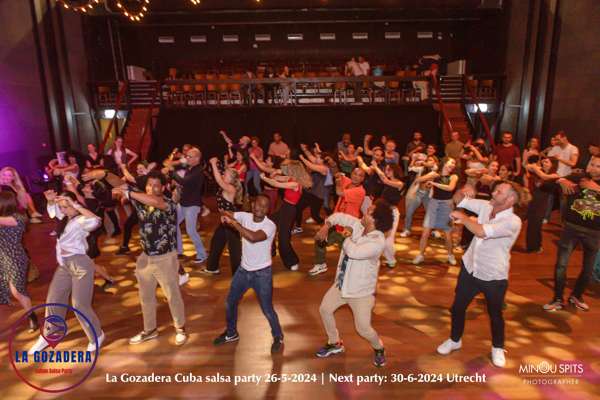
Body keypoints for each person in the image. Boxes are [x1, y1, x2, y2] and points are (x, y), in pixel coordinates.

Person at [437, 182, 524, 368]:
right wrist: (463, 190)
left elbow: (481, 231)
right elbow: (458, 200)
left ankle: (498, 347)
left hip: (493, 275)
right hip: (470, 268)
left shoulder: (513, 221)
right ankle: (454, 340)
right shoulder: (486, 206)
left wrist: (464, 218)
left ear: (510, 199)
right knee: (457, 308)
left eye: (499, 191)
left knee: (495, 314)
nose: (493, 192)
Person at [314, 200, 394, 367]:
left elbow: (354, 252)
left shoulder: (377, 242)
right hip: (342, 284)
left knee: (363, 329)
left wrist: (347, 235)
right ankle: (335, 342)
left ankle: (379, 348)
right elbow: (338, 216)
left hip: (360, 293)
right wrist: (326, 226)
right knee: (325, 309)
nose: (364, 212)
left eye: (369, 212)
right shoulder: (358, 224)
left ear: (375, 220)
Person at [113, 171, 188, 346]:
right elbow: (118, 183)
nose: (151, 188)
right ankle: (150, 330)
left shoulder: (168, 203)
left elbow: (156, 202)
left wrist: (128, 192)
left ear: (163, 187)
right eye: (149, 185)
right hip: (145, 257)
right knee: (145, 297)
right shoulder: (141, 201)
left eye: (156, 185)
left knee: (172, 295)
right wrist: (104, 174)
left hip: (165, 258)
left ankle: (180, 328)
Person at [29, 190, 104, 354]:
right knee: (54, 300)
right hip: (64, 265)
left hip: (80, 265)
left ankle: (97, 335)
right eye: (62, 207)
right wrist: (51, 201)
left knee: (79, 304)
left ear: (75, 204)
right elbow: (53, 211)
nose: (64, 210)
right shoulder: (65, 218)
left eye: (67, 206)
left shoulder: (81, 220)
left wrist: (75, 204)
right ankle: (50, 333)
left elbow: (96, 221)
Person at [213, 194, 284, 353]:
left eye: (265, 206)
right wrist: (225, 215)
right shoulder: (245, 216)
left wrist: (234, 224)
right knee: (230, 302)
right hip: (243, 271)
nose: (261, 208)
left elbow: (253, 237)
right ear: (253, 205)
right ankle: (231, 333)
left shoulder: (270, 226)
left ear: (268, 210)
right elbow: (229, 213)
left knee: (267, 309)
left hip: (262, 274)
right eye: (258, 204)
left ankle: (278, 336)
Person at [543, 156, 600, 312]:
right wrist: (560, 180)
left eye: (598, 166)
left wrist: (596, 188)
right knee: (561, 265)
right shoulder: (578, 177)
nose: (594, 168)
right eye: (592, 164)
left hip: (594, 233)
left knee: (588, 269)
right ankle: (558, 299)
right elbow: (546, 185)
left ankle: (576, 296)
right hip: (571, 229)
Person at [309, 168, 366, 276]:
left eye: (360, 175)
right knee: (320, 238)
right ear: (351, 173)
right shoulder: (348, 181)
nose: (356, 177)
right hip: (336, 222)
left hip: (349, 226)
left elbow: (339, 192)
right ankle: (320, 264)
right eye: (355, 173)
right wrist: (338, 175)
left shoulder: (360, 191)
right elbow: (337, 174)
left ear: (363, 179)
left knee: (347, 250)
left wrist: (338, 182)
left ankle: (355, 271)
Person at [0, 192, 39, 332]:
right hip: (2, 258)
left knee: (17, 291)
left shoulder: (18, 218)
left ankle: (32, 316)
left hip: (15, 258)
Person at [260, 161, 308, 271]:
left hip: (289, 210)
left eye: (289, 169)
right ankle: (271, 249)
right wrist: (275, 173)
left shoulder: (295, 183)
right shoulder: (290, 178)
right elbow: (277, 179)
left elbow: (276, 184)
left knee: (283, 239)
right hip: (284, 207)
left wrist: (264, 178)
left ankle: (292, 261)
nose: (287, 170)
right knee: (267, 221)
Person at [413, 158, 459, 265]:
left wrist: (434, 184)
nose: (453, 165)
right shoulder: (435, 174)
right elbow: (418, 180)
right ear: (444, 163)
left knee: (447, 232)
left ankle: (450, 255)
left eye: (454, 163)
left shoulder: (453, 176)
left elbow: (450, 188)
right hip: (433, 203)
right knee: (426, 231)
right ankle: (420, 255)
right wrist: (428, 180)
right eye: (451, 162)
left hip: (447, 205)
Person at [201, 157, 243, 275]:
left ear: (232, 179)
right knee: (217, 242)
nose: (223, 175)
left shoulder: (231, 188)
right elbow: (220, 176)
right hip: (225, 220)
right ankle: (212, 267)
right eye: (224, 173)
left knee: (234, 249)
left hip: (231, 222)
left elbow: (219, 180)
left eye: (226, 175)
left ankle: (238, 275)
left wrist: (213, 164)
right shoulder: (225, 186)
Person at [169, 147, 208, 264]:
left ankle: (202, 254)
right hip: (184, 202)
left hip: (192, 204)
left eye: (189, 156)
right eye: (187, 156)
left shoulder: (198, 170)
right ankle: (178, 250)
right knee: (173, 223)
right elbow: (185, 183)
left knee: (191, 230)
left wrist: (172, 172)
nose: (187, 158)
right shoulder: (190, 168)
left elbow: (184, 182)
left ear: (197, 158)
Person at [371, 162, 404, 267]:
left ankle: (391, 260)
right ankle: (387, 258)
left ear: (395, 170)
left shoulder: (400, 184)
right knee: (379, 236)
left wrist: (375, 167)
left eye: (389, 169)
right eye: (386, 169)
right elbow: (384, 178)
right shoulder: (389, 182)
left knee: (388, 238)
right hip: (382, 212)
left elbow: (384, 179)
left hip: (392, 214)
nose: (386, 171)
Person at [525, 158, 559, 253]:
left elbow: (544, 177)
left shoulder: (555, 175)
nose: (544, 163)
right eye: (543, 161)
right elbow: (526, 166)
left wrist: (535, 168)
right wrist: (534, 166)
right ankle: (531, 247)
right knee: (531, 224)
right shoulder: (540, 171)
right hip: (533, 200)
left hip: (543, 202)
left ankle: (536, 246)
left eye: (547, 162)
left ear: (553, 164)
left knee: (537, 224)